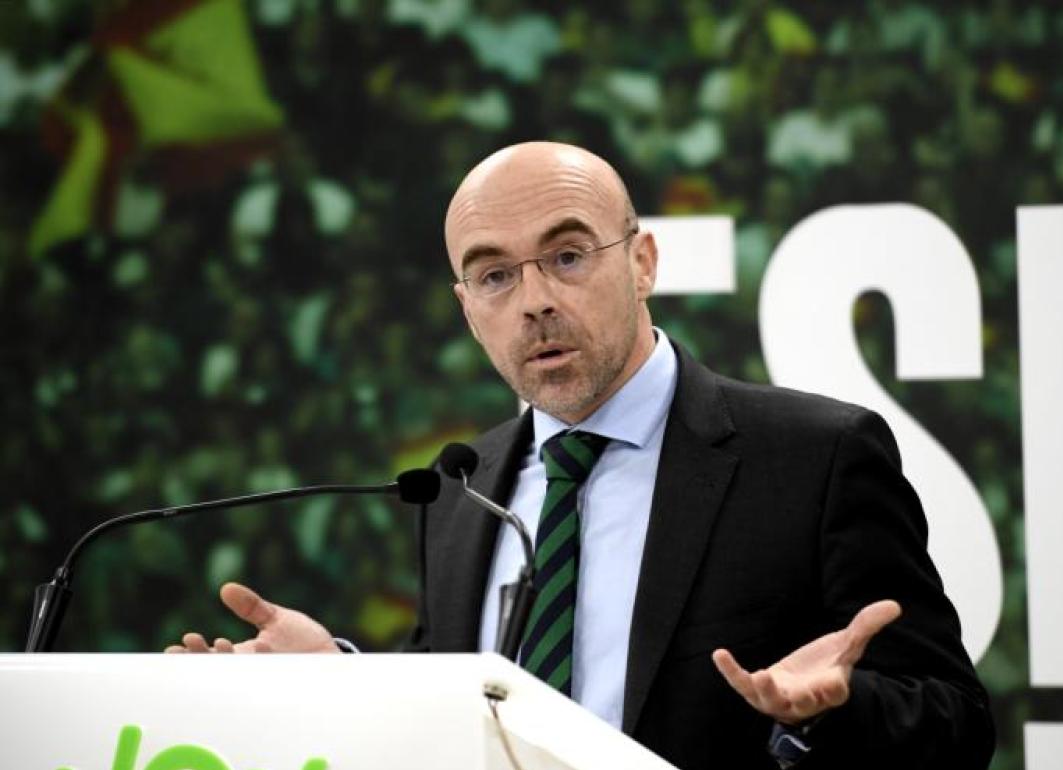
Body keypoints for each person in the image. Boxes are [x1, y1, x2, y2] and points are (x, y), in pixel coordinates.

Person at [169, 141, 995, 769]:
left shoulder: (814, 457)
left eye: (567, 257)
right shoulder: (467, 488)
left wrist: (827, 714)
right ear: (467, 309)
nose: (534, 301)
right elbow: (477, 694)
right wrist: (340, 674)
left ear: (642, 263)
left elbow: (956, 723)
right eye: (494, 276)